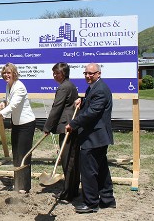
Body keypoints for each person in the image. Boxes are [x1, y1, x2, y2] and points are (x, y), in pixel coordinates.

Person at [66, 63, 116, 213]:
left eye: (91, 74)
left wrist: (73, 124)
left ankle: (91, 203)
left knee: (88, 171)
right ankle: (107, 199)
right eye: (86, 73)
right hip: (97, 136)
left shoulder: (100, 89)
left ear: (98, 74)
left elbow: (93, 112)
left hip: (95, 137)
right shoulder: (94, 87)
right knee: (101, 169)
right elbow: (91, 104)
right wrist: (82, 100)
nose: (88, 76)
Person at [0, 62, 36, 193]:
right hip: (16, 124)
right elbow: (9, 101)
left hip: (26, 124)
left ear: (14, 73)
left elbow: (14, 105)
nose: (6, 75)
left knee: (23, 155)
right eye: (4, 72)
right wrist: (4, 102)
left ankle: (24, 186)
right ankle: (18, 183)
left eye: (8, 72)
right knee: (16, 154)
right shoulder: (8, 86)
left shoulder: (19, 86)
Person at [43, 62, 80, 201]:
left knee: (68, 160)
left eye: (57, 73)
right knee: (72, 159)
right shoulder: (69, 85)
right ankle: (73, 190)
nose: (54, 75)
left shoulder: (64, 87)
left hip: (67, 127)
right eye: (53, 73)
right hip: (72, 124)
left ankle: (68, 192)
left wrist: (47, 127)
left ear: (63, 74)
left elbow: (56, 108)